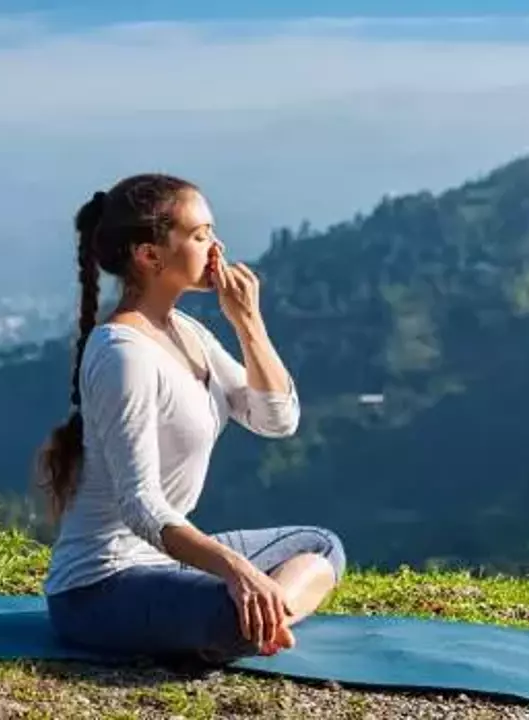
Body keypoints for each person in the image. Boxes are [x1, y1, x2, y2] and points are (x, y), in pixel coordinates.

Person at [37, 172, 346, 665]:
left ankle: (265, 620)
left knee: (320, 546)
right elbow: (141, 506)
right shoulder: (124, 355)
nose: (216, 247)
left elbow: (276, 420)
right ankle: (256, 620)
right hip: (98, 589)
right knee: (233, 608)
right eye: (200, 235)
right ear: (149, 254)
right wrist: (235, 569)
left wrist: (248, 322)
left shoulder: (187, 332)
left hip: (163, 565)